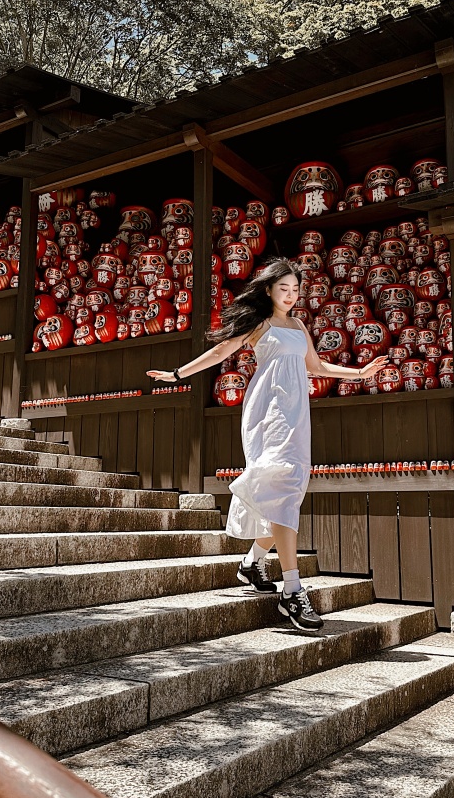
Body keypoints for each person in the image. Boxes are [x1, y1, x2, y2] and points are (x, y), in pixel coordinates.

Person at [147, 258, 388, 632]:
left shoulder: (298, 325)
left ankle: (251, 562)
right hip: (267, 412)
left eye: (295, 289)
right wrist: (178, 374)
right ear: (268, 290)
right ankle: (292, 590)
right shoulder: (260, 323)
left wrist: (360, 372)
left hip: (296, 413)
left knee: (287, 492)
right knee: (282, 486)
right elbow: (219, 353)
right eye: (284, 289)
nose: (291, 296)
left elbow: (318, 367)